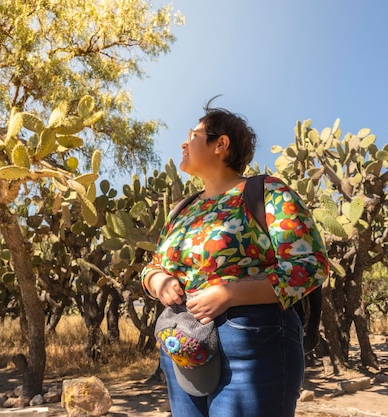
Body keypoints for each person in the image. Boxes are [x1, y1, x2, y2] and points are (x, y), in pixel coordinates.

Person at [142, 97, 329, 417]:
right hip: (182, 347)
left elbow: (310, 265)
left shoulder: (266, 192)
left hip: (253, 346)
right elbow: (155, 265)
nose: (183, 143)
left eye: (194, 135)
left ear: (221, 144)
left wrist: (229, 294)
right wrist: (159, 281)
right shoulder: (183, 209)